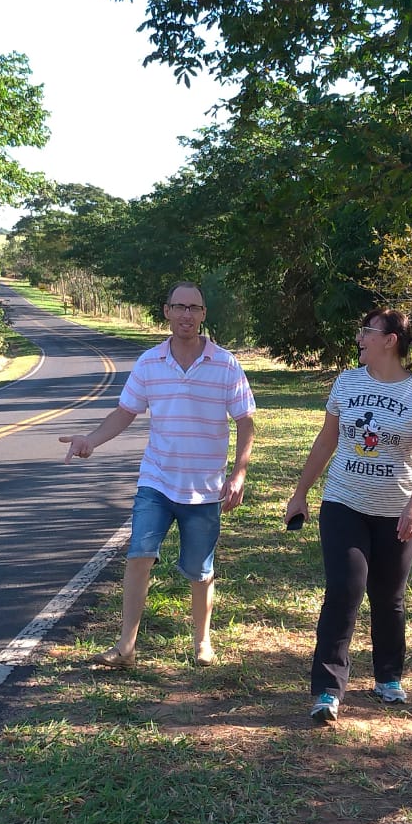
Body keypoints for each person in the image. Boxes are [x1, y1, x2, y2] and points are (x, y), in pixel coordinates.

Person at [59, 281, 256, 668]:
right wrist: (91, 440)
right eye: (179, 307)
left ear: (203, 314)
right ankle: (125, 647)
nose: (186, 315)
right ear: (166, 311)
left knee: (200, 571)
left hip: (204, 488)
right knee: (139, 556)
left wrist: (239, 474)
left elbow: (246, 421)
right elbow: (125, 412)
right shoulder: (150, 362)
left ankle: (202, 642)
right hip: (157, 482)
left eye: (194, 308)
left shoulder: (225, 364)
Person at [285, 308, 412, 723]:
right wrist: (300, 493)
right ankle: (327, 689)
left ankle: (388, 677)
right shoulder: (347, 382)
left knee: (389, 597)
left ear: (390, 340)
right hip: (344, 503)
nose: (359, 338)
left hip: (396, 512)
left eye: (366, 331)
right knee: (344, 590)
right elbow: (327, 440)